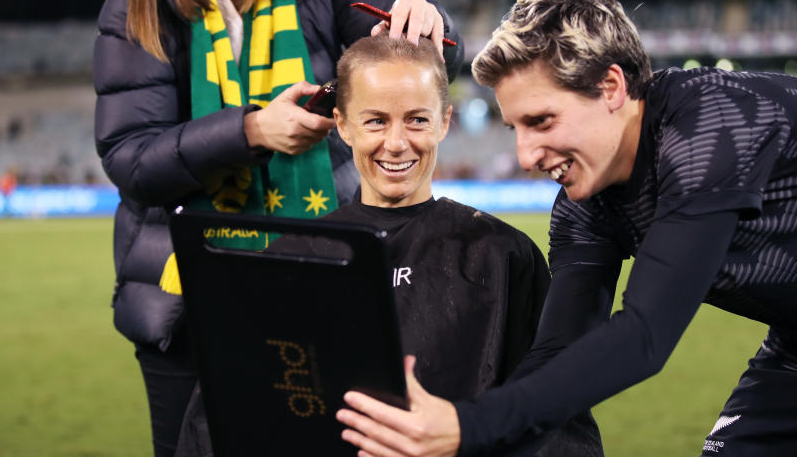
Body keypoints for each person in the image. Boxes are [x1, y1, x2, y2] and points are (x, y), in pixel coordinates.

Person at [336, 0, 797, 457]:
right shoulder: (584, 202)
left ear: (611, 88)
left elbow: (644, 334)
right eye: (515, 127)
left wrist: (468, 428)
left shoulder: (712, 125)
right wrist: (455, 437)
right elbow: (559, 350)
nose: (526, 155)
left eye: (542, 121)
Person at [92, 0, 463, 455]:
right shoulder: (135, 7)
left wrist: (430, 23)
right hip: (188, 301)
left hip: (323, 278)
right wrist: (251, 130)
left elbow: (419, 56)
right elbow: (132, 159)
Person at [173, 34, 602, 457]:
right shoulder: (290, 260)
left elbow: (555, 418)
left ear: (444, 122)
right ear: (342, 125)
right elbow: (224, 420)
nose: (396, 143)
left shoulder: (504, 256)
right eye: (375, 120)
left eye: (417, 119)